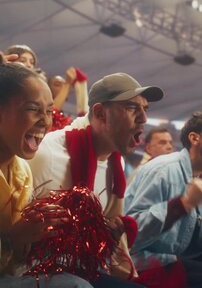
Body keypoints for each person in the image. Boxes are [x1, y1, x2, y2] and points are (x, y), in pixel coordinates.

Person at [29, 72, 163, 284]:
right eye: (131, 108)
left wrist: (109, 232)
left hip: (85, 269)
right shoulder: (49, 154)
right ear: (100, 113)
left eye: (145, 109)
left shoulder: (115, 162)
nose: (144, 119)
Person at [0, 58, 94, 288]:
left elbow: (15, 262)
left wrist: (39, 232)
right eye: (33, 109)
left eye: (49, 111)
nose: (45, 121)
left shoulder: (21, 171)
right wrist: (13, 238)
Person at [125, 112, 202, 288]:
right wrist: (184, 204)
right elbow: (132, 234)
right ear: (194, 138)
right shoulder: (163, 171)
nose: (167, 146)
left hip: (176, 259)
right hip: (143, 263)